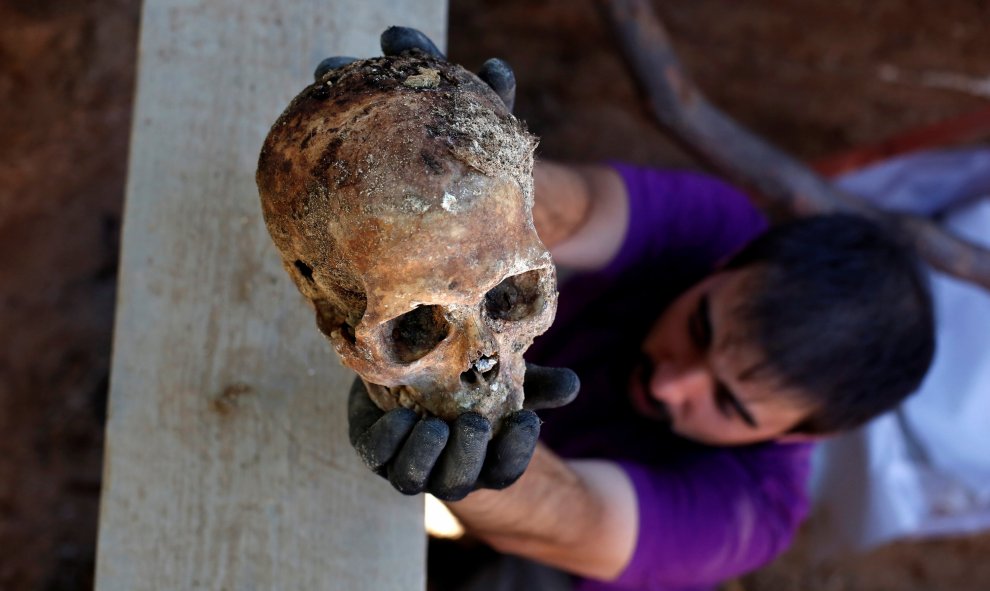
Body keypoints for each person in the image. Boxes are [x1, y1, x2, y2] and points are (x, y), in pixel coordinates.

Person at [343, 28, 937, 591]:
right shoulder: (720, 227)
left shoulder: (754, 512)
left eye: (729, 403)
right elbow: (576, 209)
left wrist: (470, 448)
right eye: (701, 329)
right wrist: (471, 172)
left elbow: (579, 516)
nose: (674, 382)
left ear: (794, 436)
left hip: (548, 562)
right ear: (724, 267)